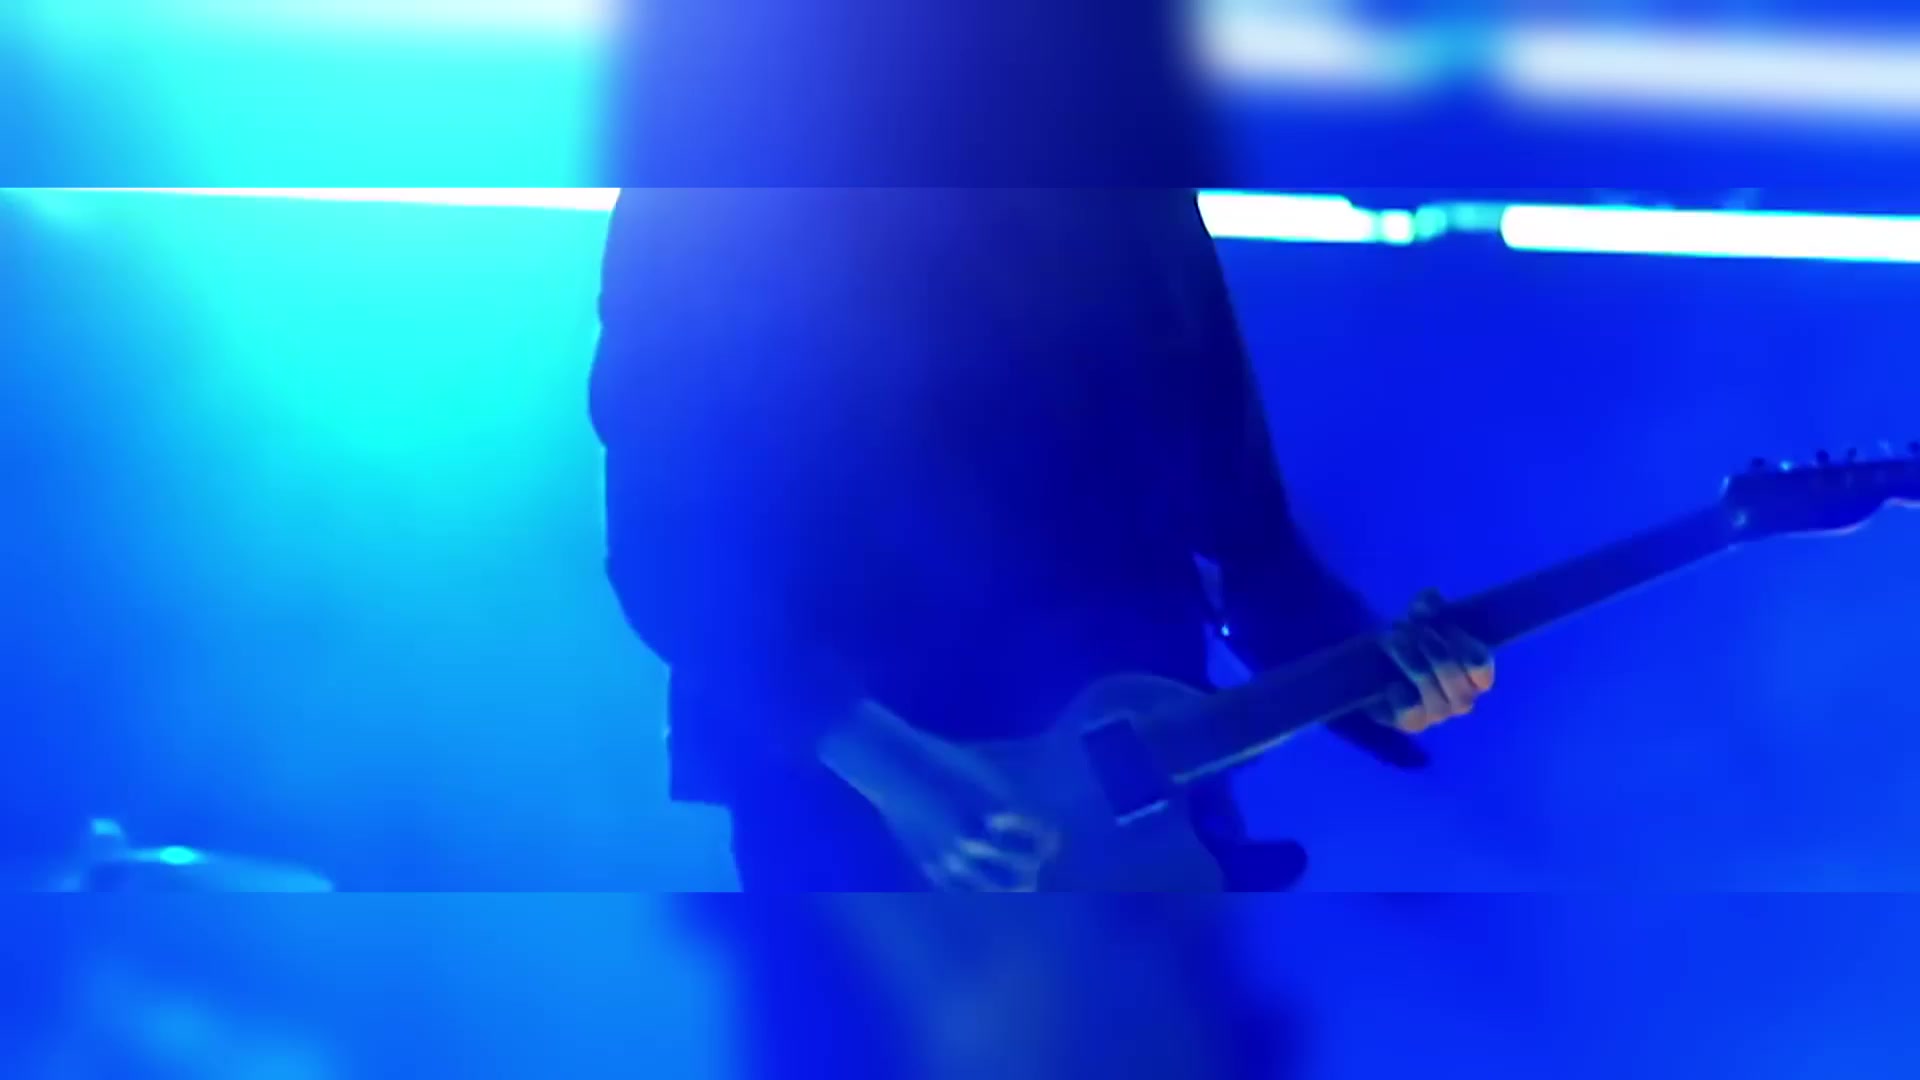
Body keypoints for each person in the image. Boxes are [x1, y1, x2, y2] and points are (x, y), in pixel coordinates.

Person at [593, 8, 1495, 896]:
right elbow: (666, 550)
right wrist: (895, 766)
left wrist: (1370, 670)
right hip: (857, 818)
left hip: (1140, 798)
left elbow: (1247, 537)